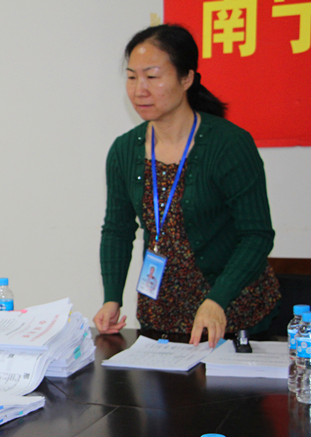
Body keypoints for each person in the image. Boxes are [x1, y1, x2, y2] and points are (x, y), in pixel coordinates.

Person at [93, 24, 279, 348]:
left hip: (232, 313)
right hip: (159, 316)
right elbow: (117, 231)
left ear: (187, 78)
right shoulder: (124, 150)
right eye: (132, 77)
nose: (139, 90)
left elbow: (257, 235)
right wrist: (112, 298)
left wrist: (218, 299)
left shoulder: (229, 144)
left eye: (152, 76)